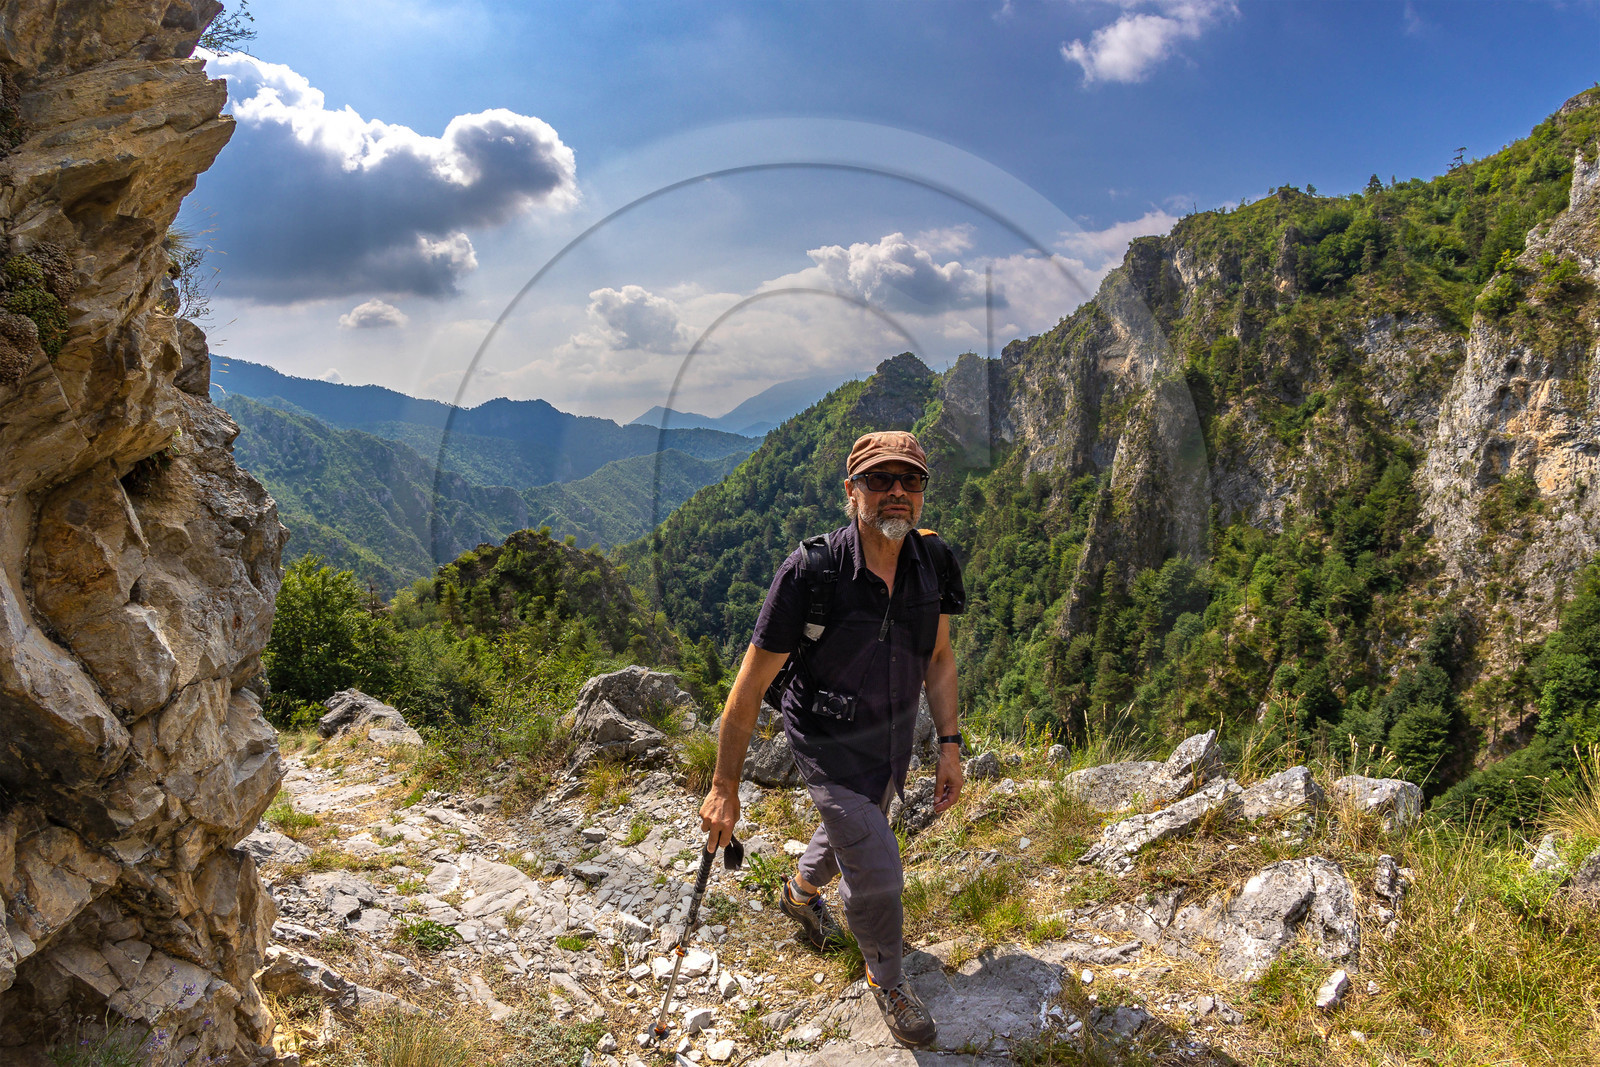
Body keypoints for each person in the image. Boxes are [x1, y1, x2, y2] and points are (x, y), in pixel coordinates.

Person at [699, 429, 966, 1048]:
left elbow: (941, 658)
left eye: (911, 481)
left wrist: (949, 745)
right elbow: (747, 686)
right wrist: (723, 786)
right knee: (877, 865)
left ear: (922, 492)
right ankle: (888, 979)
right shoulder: (811, 572)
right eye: (879, 481)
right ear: (852, 492)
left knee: (864, 821)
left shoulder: (934, 562)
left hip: (893, 731)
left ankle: (797, 892)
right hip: (822, 736)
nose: (896, 493)